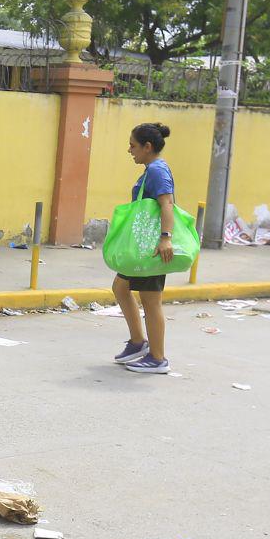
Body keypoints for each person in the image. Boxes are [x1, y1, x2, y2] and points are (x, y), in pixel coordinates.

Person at [113, 122, 176, 374]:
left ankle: (158, 358)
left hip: (153, 247)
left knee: (151, 300)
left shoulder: (157, 170)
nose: (129, 150)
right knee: (121, 287)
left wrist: (165, 238)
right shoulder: (152, 169)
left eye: (133, 145)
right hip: (143, 245)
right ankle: (138, 342)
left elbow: (167, 203)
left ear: (147, 147)